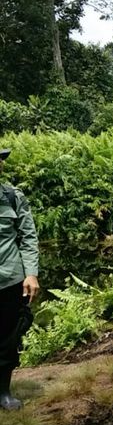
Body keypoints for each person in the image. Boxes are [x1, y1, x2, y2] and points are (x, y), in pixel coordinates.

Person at [0, 149, 39, 410]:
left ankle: (4, 392)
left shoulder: (13, 197)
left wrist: (31, 273)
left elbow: (28, 237)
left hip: (9, 278)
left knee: (7, 338)